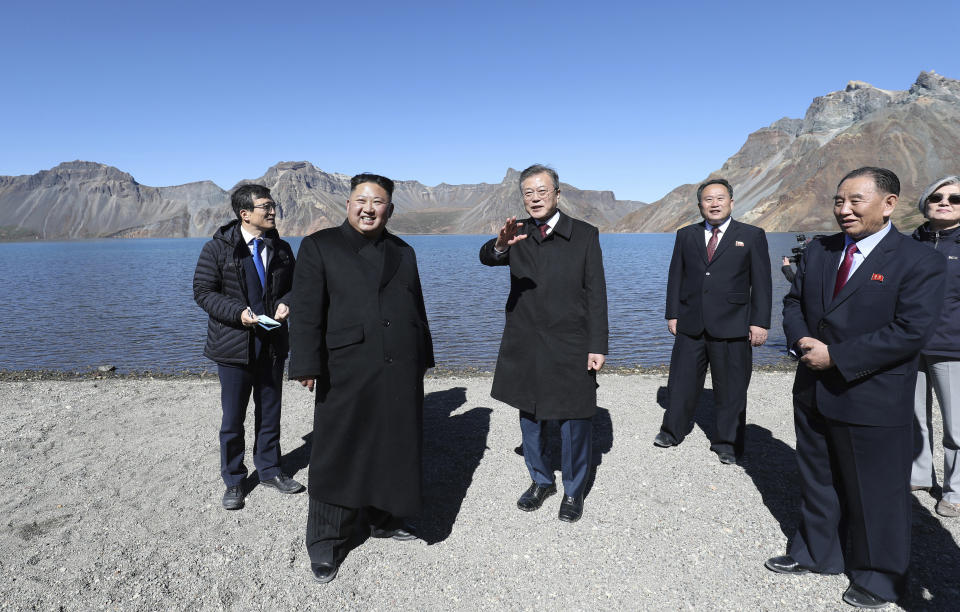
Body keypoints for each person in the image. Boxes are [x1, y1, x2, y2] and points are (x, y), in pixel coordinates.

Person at [767, 167, 946, 608]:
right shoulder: (822, 251)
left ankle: (879, 576)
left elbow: (911, 331)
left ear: (888, 204)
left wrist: (838, 357)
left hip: (873, 394)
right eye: (838, 201)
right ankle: (815, 552)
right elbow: (793, 302)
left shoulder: (919, 260)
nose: (843, 210)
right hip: (813, 387)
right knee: (817, 477)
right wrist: (800, 340)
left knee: (876, 491)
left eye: (855, 201)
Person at [288, 173, 434, 584]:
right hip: (346, 367)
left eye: (378, 202)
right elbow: (305, 310)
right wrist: (306, 364)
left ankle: (382, 517)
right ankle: (326, 541)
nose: (368, 208)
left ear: (390, 209)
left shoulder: (404, 251)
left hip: (400, 367)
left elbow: (415, 306)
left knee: (393, 445)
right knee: (339, 450)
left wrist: (424, 355)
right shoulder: (320, 246)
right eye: (360, 200)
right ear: (348, 204)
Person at [479, 164, 608, 523]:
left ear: (557, 194)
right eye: (528, 193)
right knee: (530, 413)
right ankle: (540, 480)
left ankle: (572, 490)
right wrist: (501, 244)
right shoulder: (516, 232)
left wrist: (597, 344)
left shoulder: (583, 234)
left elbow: (596, 292)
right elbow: (487, 257)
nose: (534, 198)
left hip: (571, 340)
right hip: (527, 340)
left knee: (574, 417)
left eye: (542, 191)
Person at [193, 184, 304, 511]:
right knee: (233, 418)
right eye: (265, 207)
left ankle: (269, 470)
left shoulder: (282, 248)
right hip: (233, 347)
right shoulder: (217, 249)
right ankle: (234, 480)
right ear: (245, 214)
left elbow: (297, 287)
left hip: (272, 345)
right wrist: (238, 314)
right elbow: (203, 292)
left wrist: (286, 304)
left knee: (270, 413)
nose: (272, 211)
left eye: (273, 206)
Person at [653, 178, 772, 464]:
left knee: (731, 387)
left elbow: (763, 282)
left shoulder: (752, 235)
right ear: (700, 205)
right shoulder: (686, 235)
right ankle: (672, 431)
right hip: (690, 323)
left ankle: (727, 443)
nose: (714, 203)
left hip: (733, 324)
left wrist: (760, 322)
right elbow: (675, 276)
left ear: (731, 202)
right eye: (708, 199)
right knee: (680, 382)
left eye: (720, 198)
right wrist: (673, 313)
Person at [910, 175, 960, 518]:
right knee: (913, 417)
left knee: (956, 425)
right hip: (908, 346)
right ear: (924, 204)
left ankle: (955, 490)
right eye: (937, 197)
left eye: (955, 199)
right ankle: (918, 474)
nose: (945, 202)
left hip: (952, 346)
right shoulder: (910, 242)